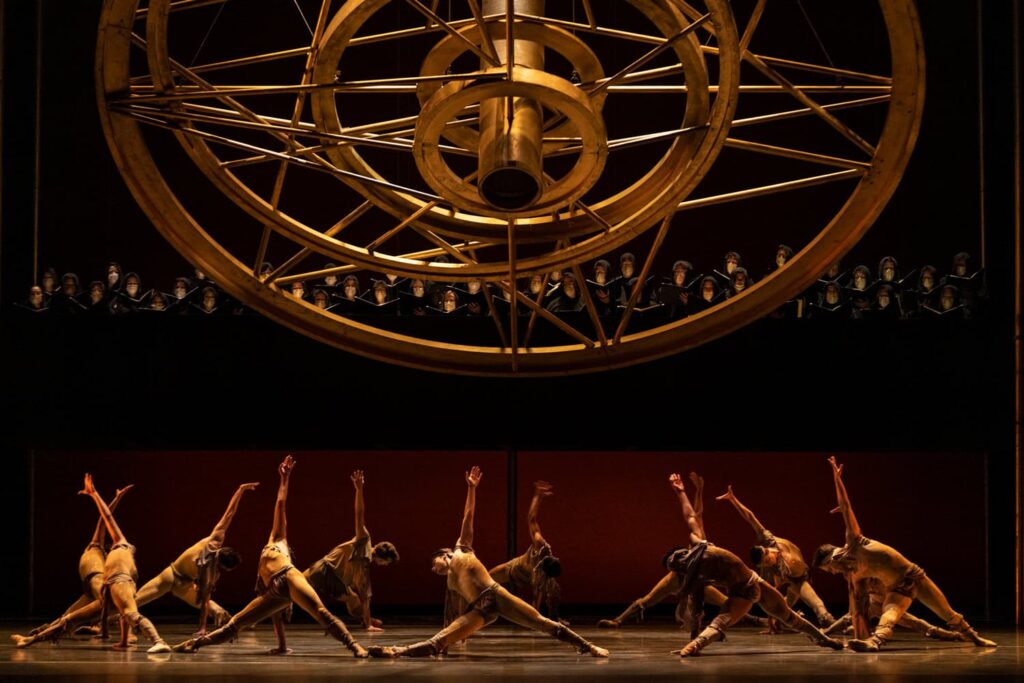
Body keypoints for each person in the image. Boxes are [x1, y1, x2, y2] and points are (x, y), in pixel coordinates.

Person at [367, 467, 607, 658]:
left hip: (496, 594)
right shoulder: (450, 583)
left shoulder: (462, 548)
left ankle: (588, 646)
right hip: (482, 612)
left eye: (434, 564)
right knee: (437, 642)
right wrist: (449, 637)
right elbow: (450, 612)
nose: (433, 569)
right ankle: (397, 651)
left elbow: (468, 516)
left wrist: (472, 489)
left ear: (443, 554)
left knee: (542, 623)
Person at [172, 456, 368, 657]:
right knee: (236, 623)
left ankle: (354, 646)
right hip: (274, 592)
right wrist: (282, 645)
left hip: (289, 578)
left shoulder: (278, 539)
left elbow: (281, 503)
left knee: (321, 613)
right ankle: (194, 644)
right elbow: (273, 613)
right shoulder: (262, 573)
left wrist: (284, 478)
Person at [812, 456, 996, 652]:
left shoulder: (854, 543)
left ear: (832, 557)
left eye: (829, 568)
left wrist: (837, 479)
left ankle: (975, 638)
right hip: (898, 587)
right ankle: (874, 642)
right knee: (890, 612)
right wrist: (856, 636)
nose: (832, 572)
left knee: (948, 613)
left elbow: (847, 507)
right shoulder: (853, 574)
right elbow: (857, 608)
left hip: (915, 575)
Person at [663, 473, 841, 657]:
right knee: (721, 621)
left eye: (676, 558)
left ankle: (825, 639)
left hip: (757, 581)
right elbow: (697, 611)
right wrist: (693, 642)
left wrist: (681, 493)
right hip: (745, 590)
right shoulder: (695, 576)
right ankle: (695, 646)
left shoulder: (699, 546)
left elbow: (693, 516)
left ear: (683, 553)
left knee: (789, 616)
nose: (679, 561)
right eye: (675, 564)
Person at [12, 475, 171, 653]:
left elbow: (107, 518)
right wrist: (124, 642)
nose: (111, 544)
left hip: (117, 584)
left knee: (130, 613)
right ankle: (30, 640)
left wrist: (95, 495)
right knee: (70, 619)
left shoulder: (122, 545)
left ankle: (159, 641)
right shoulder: (121, 558)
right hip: (110, 590)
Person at [597, 473, 733, 631]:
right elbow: (692, 515)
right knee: (648, 599)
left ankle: (756, 620)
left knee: (726, 603)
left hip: (696, 580)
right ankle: (618, 621)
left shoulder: (706, 548)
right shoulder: (697, 541)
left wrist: (698, 491)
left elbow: (697, 514)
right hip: (679, 577)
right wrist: (682, 492)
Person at [134, 483, 256, 634]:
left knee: (214, 608)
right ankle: (103, 619)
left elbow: (229, 514)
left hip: (183, 584)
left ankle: (236, 622)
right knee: (134, 601)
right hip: (171, 577)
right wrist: (202, 628)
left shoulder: (215, 541)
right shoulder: (210, 570)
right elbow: (204, 601)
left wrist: (241, 490)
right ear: (222, 565)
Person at [299, 470, 398, 643]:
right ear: (383, 557)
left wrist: (368, 622)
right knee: (293, 586)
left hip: (332, 576)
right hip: (324, 569)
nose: (384, 566)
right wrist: (359, 489)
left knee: (355, 599)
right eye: (386, 563)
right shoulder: (364, 540)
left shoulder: (365, 567)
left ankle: (365, 621)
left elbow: (366, 597)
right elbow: (359, 516)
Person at [715, 485, 834, 628]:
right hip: (792, 579)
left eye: (767, 559)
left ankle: (828, 621)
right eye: (766, 563)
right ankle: (778, 622)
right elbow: (770, 593)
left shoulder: (769, 540)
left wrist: (733, 499)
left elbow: (750, 517)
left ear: (767, 551)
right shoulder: (769, 570)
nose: (769, 562)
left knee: (815, 605)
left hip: (799, 577)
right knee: (789, 607)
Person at [26, 484, 133, 639]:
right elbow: (104, 519)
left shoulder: (98, 551)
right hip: (88, 588)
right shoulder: (96, 547)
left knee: (109, 604)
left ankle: (122, 632)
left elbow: (105, 519)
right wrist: (113, 498)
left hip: (95, 579)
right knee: (70, 613)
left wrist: (103, 496)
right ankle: (48, 630)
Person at [488, 481, 565, 623]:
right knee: (485, 580)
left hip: (532, 575)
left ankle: (554, 617)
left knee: (555, 590)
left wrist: (536, 621)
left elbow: (537, 595)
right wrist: (537, 496)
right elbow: (531, 520)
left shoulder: (542, 577)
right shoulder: (540, 544)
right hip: (513, 570)